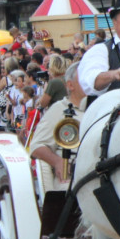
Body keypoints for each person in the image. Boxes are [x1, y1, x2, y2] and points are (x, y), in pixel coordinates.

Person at [29, 61, 86, 191]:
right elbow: (37, 145)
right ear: (70, 85)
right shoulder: (59, 109)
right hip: (71, 177)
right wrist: (57, 162)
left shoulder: (104, 109)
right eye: (85, 78)